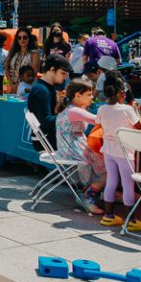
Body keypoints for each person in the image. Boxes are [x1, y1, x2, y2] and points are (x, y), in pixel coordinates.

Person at [96, 74, 141, 230]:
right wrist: (137, 111)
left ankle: (108, 215)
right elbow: (139, 126)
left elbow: (98, 123)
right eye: (124, 92)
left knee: (111, 181)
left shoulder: (102, 108)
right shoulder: (127, 109)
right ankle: (131, 220)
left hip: (108, 149)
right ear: (119, 93)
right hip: (124, 151)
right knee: (127, 184)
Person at [57, 78, 105, 214]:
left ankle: (98, 190)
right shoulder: (74, 111)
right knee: (109, 167)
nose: (92, 97)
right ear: (78, 95)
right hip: (72, 150)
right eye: (89, 95)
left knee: (104, 159)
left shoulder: (73, 109)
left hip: (69, 147)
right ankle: (88, 195)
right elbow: (98, 119)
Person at [25, 57, 72, 149]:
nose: (65, 77)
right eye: (63, 73)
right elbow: (46, 122)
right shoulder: (42, 90)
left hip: (47, 137)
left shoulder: (47, 87)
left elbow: (53, 113)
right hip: (46, 140)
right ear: (52, 70)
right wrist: (70, 113)